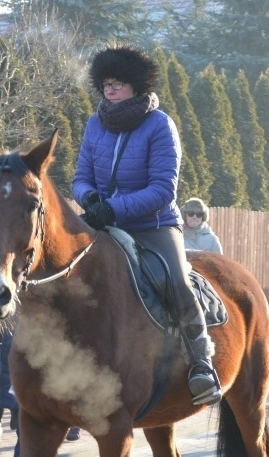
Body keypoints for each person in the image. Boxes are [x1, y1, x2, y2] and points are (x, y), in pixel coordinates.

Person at [71, 44, 220, 406]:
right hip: (101, 224)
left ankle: (202, 365)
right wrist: (89, 199)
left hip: (154, 226)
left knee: (178, 284)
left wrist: (114, 208)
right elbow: (80, 177)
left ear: (136, 85)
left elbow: (162, 189)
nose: (109, 90)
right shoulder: (95, 124)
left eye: (117, 83)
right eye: (105, 83)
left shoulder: (160, 124)